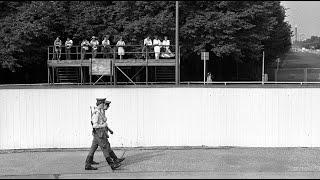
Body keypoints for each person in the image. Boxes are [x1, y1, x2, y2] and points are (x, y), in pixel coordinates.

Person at [85, 98, 123, 171]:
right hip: (99, 133)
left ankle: (87, 164)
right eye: (103, 103)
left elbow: (102, 122)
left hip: (99, 134)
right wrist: (103, 126)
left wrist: (107, 128)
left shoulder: (99, 111)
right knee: (105, 148)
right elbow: (95, 125)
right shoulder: (96, 113)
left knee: (93, 148)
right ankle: (112, 164)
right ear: (101, 104)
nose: (104, 104)